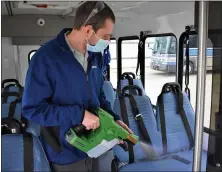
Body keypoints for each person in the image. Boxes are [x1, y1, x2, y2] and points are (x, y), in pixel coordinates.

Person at [22, 1, 132, 172]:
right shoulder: (46, 58)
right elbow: (32, 110)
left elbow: (99, 96)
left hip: (94, 146)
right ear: (88, 30)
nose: (108, 41)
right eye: (106, 36)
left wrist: (114, 119)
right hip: (64, 153)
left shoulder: (95, 56)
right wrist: (79, 115)